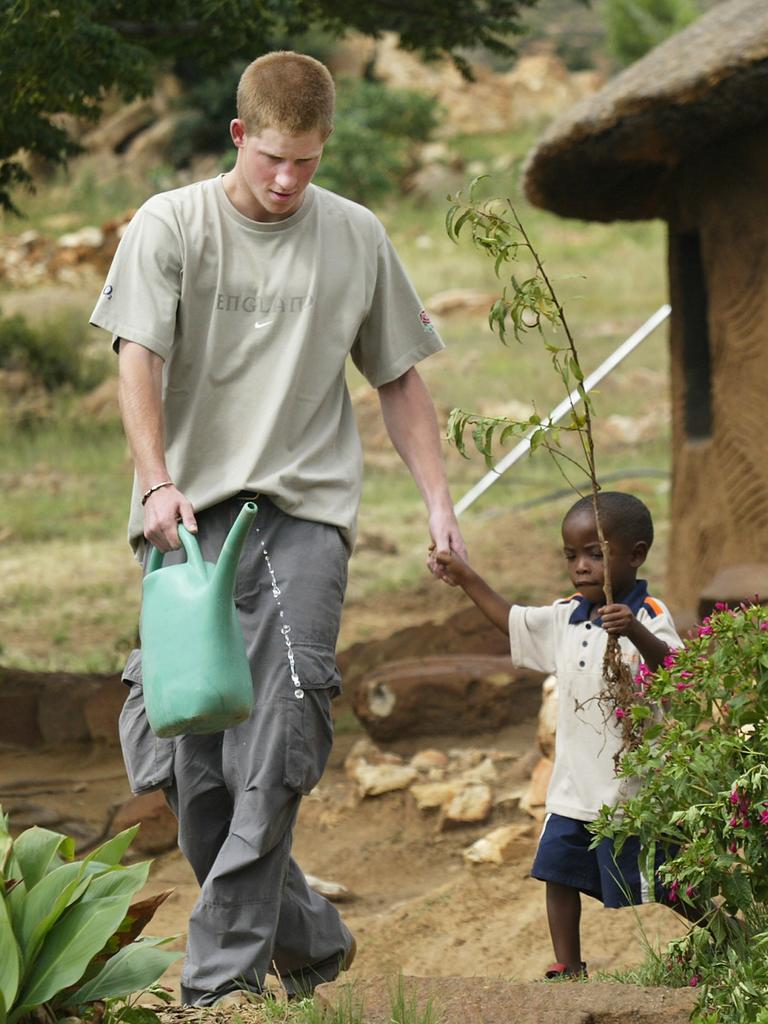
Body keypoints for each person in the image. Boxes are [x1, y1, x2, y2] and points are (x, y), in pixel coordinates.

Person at [90, 51, 466, 1005]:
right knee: (194, 763)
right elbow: (137, 359)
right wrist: (154, 485)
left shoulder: (356, 235)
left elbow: (399, 376)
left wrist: (436, 502)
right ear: (238, 138)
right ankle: (312, 939)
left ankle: (216, 988)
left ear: (323, 146)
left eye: (306, 160)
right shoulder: (171, 225)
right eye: (272, 160)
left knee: (282, 731)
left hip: (302, 515)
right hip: (185, 520)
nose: (289, 180)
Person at [435, 491, 682, 979]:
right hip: (572, 788)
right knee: (556, 871)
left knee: (669, 883)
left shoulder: (649, 613)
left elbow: (677, 672)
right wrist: (465, 578)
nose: (581, 567)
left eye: (595, 554)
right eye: (572, 556)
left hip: (630, 793)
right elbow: (510, 620)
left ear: (634, 555)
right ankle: (568, 966)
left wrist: (633, 632)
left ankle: (727, 931)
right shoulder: (567, 616)